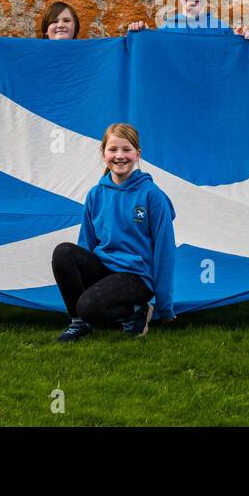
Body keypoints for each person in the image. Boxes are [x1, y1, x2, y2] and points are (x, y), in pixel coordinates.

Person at [51, 123, 177, 342]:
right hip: (104, 269)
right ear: (104, 154)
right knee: (63, 252)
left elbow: (165, 252)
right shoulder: (95, 194)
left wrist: (164, 306)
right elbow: (85, 244)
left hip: (136, 276)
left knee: (88, 306)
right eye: (113, 149)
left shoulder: (152, 196)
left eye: (126, 149)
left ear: (138, 154)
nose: (120, 156)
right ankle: (79, 323)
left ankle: (137, 311)